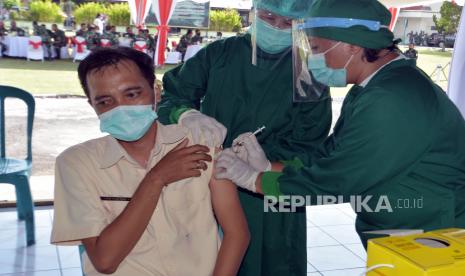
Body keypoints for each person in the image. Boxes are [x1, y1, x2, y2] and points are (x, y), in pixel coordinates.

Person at [215, 0, 465, 250]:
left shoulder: (392, 98)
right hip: (408, 230)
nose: (311, 59)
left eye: (315, 48)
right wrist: (270, 166)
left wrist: (254, 179)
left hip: (435, 234)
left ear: (352, 46)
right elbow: (330, 155)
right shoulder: (374, 88)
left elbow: (337, 179)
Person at [158, 0, 331, 274]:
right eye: (269, 16)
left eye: (288, 23)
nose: (276, 27)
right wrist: (185, 114)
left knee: (272, 261)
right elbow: (171, 97)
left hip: (271, 189)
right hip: (212, 177)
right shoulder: (218, 54)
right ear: (254, 11)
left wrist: (263, 160)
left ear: (302, 25)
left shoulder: (307, 73)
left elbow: (311, 147)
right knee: (209, 255)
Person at [51, 47, 250, 275]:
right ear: (92, 105)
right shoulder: (76, 164)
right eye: (105, 102)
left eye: (132, 94)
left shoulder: (200, 142)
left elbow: (237, 233)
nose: (121, 109)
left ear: (156, 92)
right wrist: (156, 178)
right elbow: (105, 261)